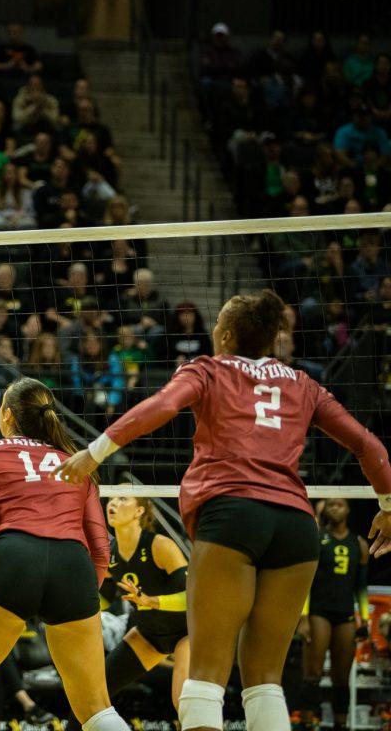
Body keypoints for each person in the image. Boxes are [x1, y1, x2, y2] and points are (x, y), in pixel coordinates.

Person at [57, 290, 391, 731]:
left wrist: (93, 454)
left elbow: (160, 406)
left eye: (217, 326)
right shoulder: (303, 383)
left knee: (207, 676)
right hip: (295, 523)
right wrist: (386, 504)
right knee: (265, 681)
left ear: (227, 333)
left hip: (232, 513)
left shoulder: (207, 370)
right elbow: (368, 444)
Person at [0, 377, 125, 731]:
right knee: (97, 710)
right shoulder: (76, 465)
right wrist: (82, 596)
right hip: (73, 566)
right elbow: (100, 546)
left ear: (7, 415)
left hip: (15, 559)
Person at [96, 496, 189, 719]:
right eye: (111, 498)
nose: (112, 503)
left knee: (185, 705)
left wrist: (151, 601)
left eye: (122, 499)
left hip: (187, 633)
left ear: (139, 511)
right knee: (93, 697)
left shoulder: (160, 545)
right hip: (149, 635)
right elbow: (103, 600)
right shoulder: (109, 553)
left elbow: (193, 597)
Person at [301, 498, 369, 728]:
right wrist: (303, 617)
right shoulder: (316, 538)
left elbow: (361, 586)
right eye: (330, 504)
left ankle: (340, 724)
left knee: (342, 676)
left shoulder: (358, 543)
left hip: (346, 615)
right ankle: (308, 723)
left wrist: (365, 619)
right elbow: (305, 582)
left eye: (339, 504)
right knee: (313, 673)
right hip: (319, 612)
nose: (335, 508)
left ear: (348, 509)